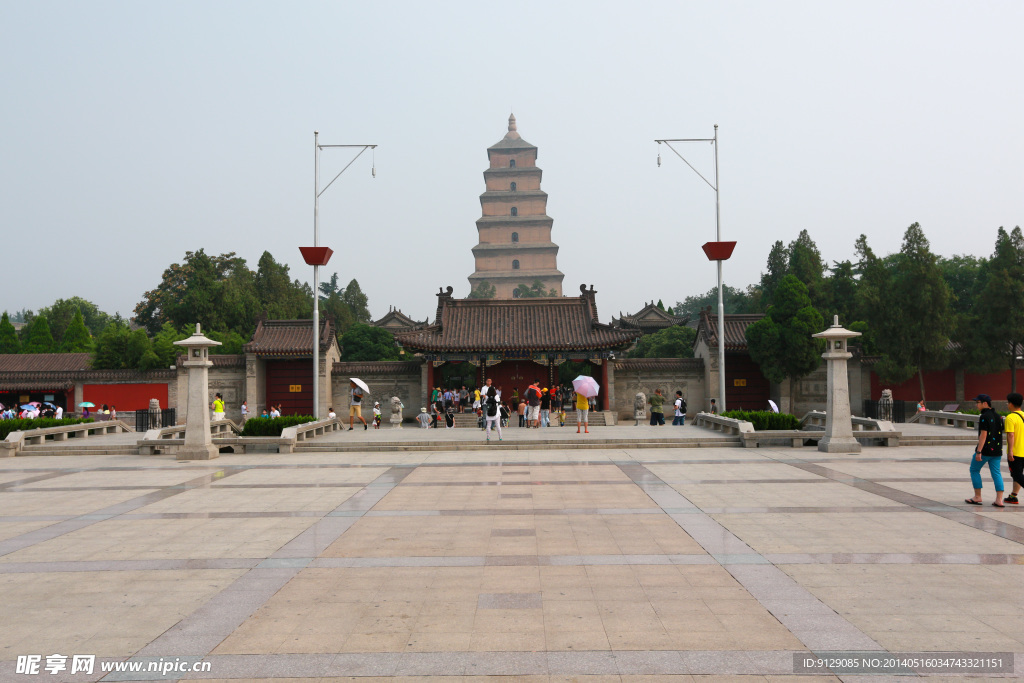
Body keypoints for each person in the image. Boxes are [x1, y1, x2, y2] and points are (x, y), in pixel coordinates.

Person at [966, 394, 1004, 507]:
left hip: (985, 451)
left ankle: (977, 496)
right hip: (997, 451)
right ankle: (999, 499)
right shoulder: (999, 416)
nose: (976, 405)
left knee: (974, 470)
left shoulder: (984, 416)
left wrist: (979, 451)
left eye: (978, 402)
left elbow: (983, 435)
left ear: (985, 403)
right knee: (996, 473)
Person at [1003, 393, 1024, 504]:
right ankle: (1013, 496)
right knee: (1018, 475)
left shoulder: (1010, 418)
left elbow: (1011, 435)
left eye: (1008, 402)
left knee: (1017, 475)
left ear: (1011, 404)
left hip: (1016, 452)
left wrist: (1010, 451)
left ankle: (1013, 496)